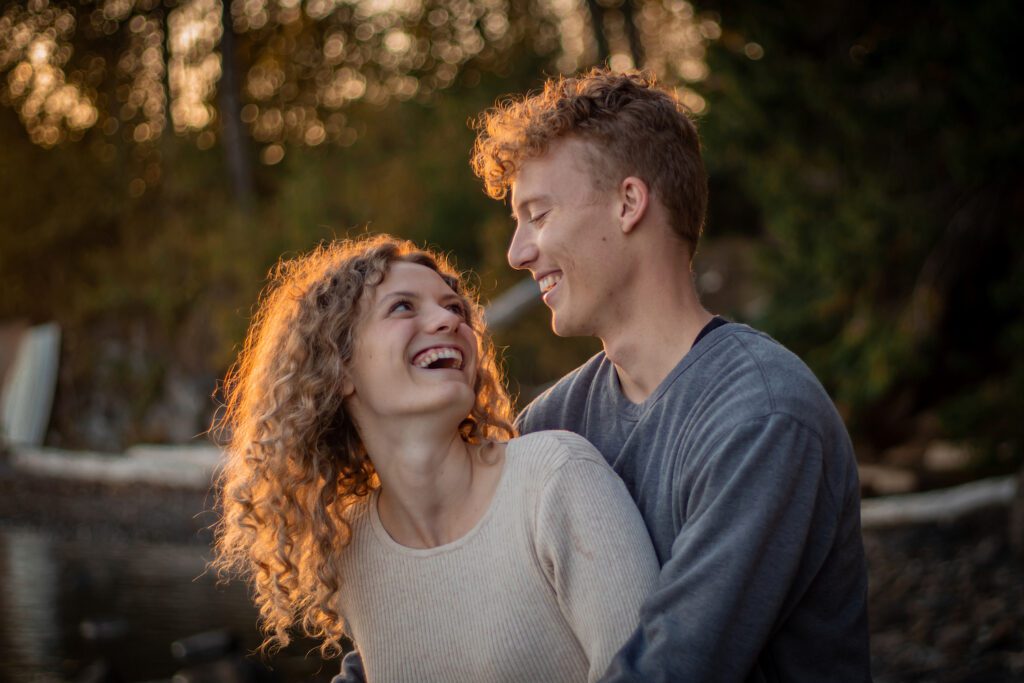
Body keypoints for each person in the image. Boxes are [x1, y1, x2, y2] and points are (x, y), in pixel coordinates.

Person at [468, 69, 871, 681]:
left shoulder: (763, 417)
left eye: (538, 215)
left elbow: (674, 669)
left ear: (629, 203)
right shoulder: (551, 425)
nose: (517, 252)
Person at [211, 234, 659, 683]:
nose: (449, 320)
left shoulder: (555, 478)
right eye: (403, 307)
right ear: (339, 368)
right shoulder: (352, 552)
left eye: (455, 308)